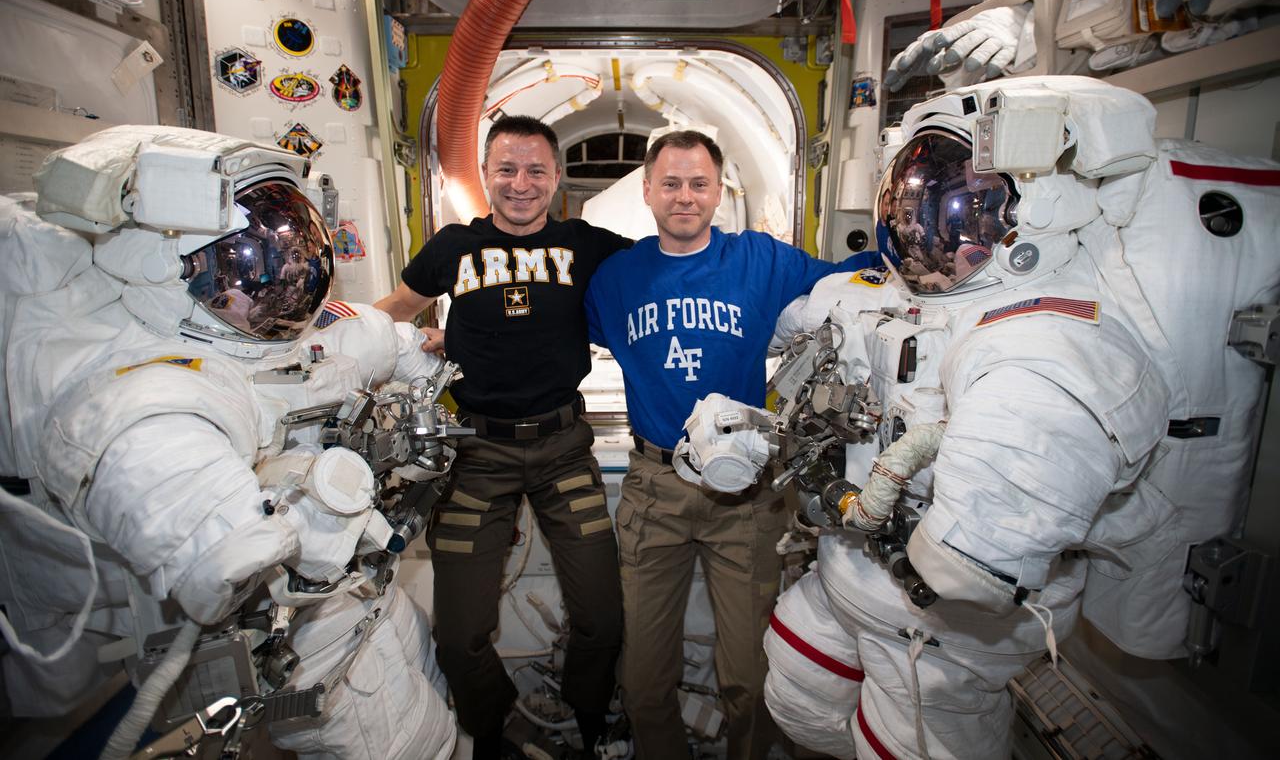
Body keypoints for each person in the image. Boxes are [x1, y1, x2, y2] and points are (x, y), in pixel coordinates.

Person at [750, 77, 1279, 759]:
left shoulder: (1044, 341)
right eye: (911, 205)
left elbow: (971, 565)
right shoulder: (860, 297)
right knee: (796, 691)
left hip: (941, 627)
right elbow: (782, 364)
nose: (924, 231)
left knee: (908, 739)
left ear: (1025, 213)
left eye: (952, 211)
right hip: (846, 569)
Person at [0, 126, 457, 760]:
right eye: (254, 264)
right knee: (391, 730)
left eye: (291, 250)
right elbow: (217, 553)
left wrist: (424, 356)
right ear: (169, 266)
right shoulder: (146, 399)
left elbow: (366, 338)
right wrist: (303, 517)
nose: (283, 280)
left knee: (410, 642)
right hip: (302, 628)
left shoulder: (283, 334)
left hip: (360, 597)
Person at [583, 130, 879, 760]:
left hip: (745, 493)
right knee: (643, 678)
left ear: (720, 191)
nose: (684, 197)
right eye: (670, 184)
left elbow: (844, 282)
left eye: (697, 184)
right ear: (647, 191)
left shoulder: (762, 262)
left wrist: (905, 244)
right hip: (654, 486)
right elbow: (547, 333)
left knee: (749, 676)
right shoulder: (616, 279)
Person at [374, 115, 630, 759]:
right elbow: (390, 315)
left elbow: (667, 267)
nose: (521, 184)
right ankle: (491, 728)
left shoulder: (586, 244)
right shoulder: (452, 247)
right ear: (485, 175)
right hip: (477, 453)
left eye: (537, 170)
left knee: (602, 618)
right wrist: (313, 343)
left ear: (557, 179)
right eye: (507, 170)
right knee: (459, 635)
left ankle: (588, 712)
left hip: (564, 449)